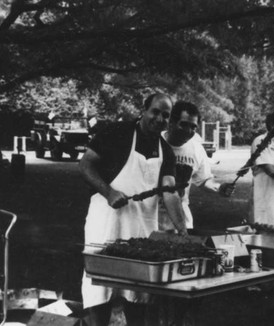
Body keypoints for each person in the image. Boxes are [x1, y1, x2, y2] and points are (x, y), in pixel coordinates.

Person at [79, 93, 187, 326]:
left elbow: (169, 191)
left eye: (165, 116)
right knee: (100, 290)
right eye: (155, 112)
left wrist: (183, 231)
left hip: (141, 228)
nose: (159, 119)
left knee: (139, 295)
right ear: (144, 109)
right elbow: (86, 164)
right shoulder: (116, 133)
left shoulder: (166, 151)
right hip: (106, 222)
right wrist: (108, 193)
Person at [159, 101, 235, 230]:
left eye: (193, 127)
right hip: (152, 221)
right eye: (183, 125)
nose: (188, 131)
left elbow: (204, 180)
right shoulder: (154, 142)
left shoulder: (197, 149)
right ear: (171, 122)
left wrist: (218, 187)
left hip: (182, 223)